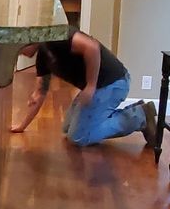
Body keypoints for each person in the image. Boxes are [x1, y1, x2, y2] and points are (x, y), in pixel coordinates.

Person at [11, 30, 160, 147]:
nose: (20, 52)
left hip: (112, 83)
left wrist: (90, 86)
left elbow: (92, 47)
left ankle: (140, 116)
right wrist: (22, 126)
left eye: (19, 47)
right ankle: (128, 113)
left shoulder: (57, 37)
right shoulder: (43, 58)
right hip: (100, 87)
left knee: (78, 137)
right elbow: (40, 93)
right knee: (68, 128)